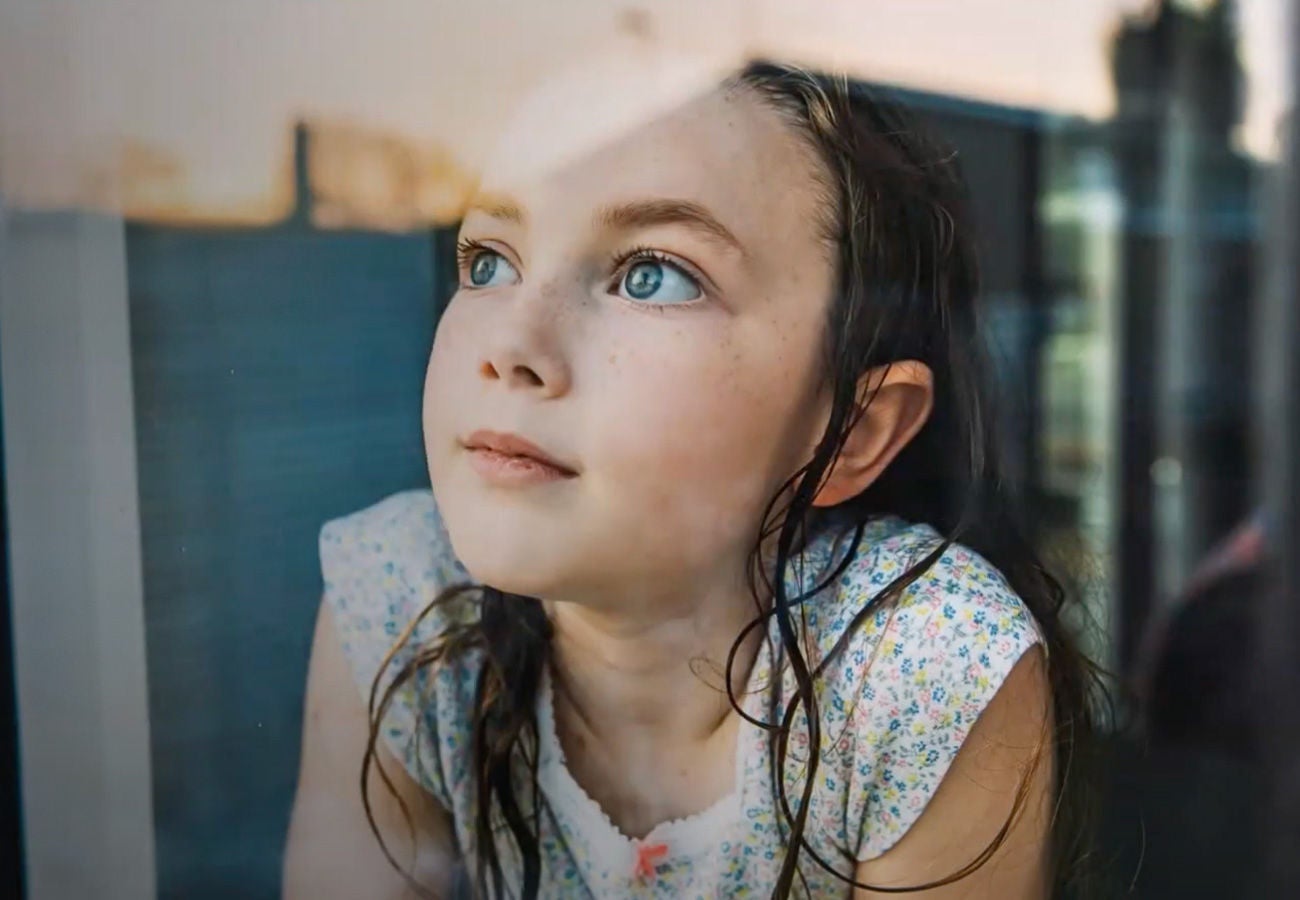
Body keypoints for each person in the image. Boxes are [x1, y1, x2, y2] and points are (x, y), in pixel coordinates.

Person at [283, 58, 1102, 899]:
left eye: (654, 276)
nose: (512, 344)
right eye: (490, 259)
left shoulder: (921, 666)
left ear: (852, 430)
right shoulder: (403, 600)